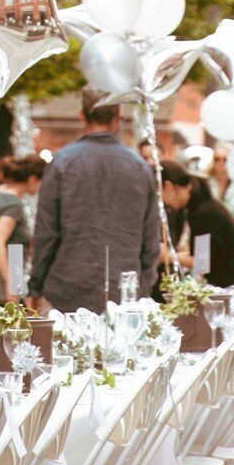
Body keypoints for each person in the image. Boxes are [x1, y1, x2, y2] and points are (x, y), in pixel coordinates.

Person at [27, 88, 162, 314]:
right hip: (124, 294)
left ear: (82, 115)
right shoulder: (139, 167)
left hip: (67, 291)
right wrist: (144, 288)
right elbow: (151, 241)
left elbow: (45, 234)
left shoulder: (62, 162)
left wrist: (35, 286)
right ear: (118, 115)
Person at [161, 160, 234, 288]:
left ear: (168, 186)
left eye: (160, 193)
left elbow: (201, 262)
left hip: (233, 285)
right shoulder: (204, 206)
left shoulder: (203, 213)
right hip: (233, 281)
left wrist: (168, 256)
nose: (162, 201)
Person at [0, 155, 38, 304]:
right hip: (8, 263)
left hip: (7, 260)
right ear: (32, 179)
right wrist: (12, 282)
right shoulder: (13, 204)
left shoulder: (1, 190)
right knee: (9, 317)